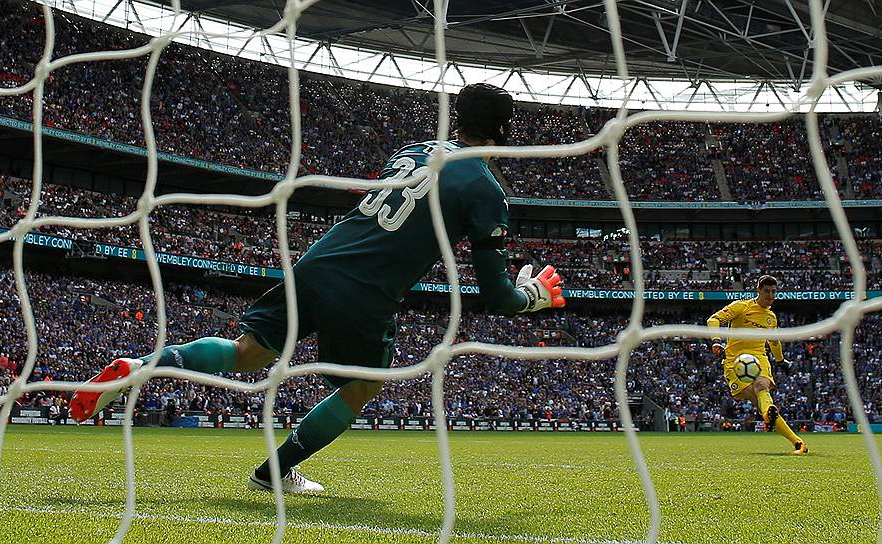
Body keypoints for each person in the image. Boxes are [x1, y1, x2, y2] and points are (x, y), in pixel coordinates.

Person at [69, 83, 567, 492]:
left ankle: (139, 366)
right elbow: (496, 297)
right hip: (367, 289)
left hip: (319, 261)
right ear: (505, 132)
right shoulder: (484, 187)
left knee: (247, 352)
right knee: (361, 387)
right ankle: (274, 473)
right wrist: (534, 296)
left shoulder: (414, 150)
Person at [707, 275, 809, 455]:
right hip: (734, 361)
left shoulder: (771, 318)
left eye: (773, 292)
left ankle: (798, 443)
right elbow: (713, 320)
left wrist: (781, 361)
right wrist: (716, 341)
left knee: (762, 386)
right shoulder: (741, 306)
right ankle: (781, 426)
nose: (770, 296)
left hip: (758, 357)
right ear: (758, 290)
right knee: (758, 399)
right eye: (767, 291)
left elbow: (774, 342)